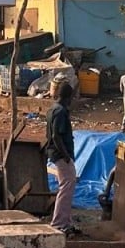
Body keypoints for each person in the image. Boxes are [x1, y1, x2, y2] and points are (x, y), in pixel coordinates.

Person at [46, 83, 77, 235]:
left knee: (65, 185)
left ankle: (65, 220)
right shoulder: (60, 112)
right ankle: (59, 223)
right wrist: (65, 156)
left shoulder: (53, 108)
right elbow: (56, 136)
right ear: (69, 96)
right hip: (60, 154)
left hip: (56, 153)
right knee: (67, 185)